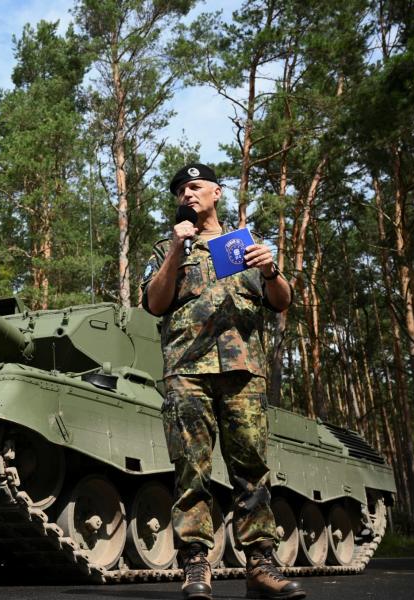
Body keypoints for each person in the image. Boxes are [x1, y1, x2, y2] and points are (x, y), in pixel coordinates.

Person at [140, 163, 304, 600]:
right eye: (180, 191)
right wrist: (177, 249)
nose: (187, 195)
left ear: (216, 193)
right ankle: (196, 566)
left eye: (195, 187)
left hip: (243, 373)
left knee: (252, 471)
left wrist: (270, 271)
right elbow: (155, 304)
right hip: (187, 374)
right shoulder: (164, 249)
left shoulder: (245, 246)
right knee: (191, 471)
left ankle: (260, 566)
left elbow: (280, 301)